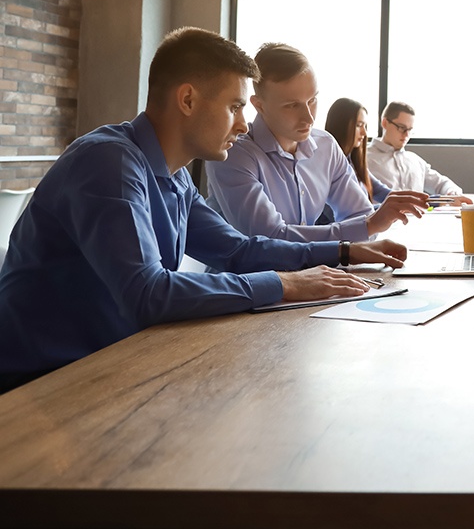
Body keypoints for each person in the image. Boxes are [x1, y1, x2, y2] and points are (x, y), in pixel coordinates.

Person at [0, 28, 406, 393]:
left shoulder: (173, 175)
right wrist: (285, 284)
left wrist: (341, 253)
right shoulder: (110, 163)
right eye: (235, 106)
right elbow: (148, 293)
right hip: (38, 384)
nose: (245, 125)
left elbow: (238, 250)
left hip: (108, 367)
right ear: (188, 99)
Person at [206, 45, 428, 242]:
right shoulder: (233, 153)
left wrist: (364, 229)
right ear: (259, 105)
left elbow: (360, 215)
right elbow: (269, 240)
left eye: (312, 101)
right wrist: (364, 229)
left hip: (314, 273)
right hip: (247, 283)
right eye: (292, 105)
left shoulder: (325, 146)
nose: (309, 118)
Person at [368, 101, 471, 203]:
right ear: (385, 123)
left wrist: (452, 193)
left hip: (421, 218)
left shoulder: (414, 160)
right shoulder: (363, 158)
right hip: (380, 218)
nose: (406, 135)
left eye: (410, 130)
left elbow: (442, 184)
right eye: (401, 128)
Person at [324, 97, 391, 205]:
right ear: (341, 126)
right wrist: (385, 209)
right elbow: (346, 215)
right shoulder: (327, 166)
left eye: (365, 126)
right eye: (359, 125)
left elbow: (380, 191)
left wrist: (417, 200)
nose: (364, 133)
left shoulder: (352, 160)